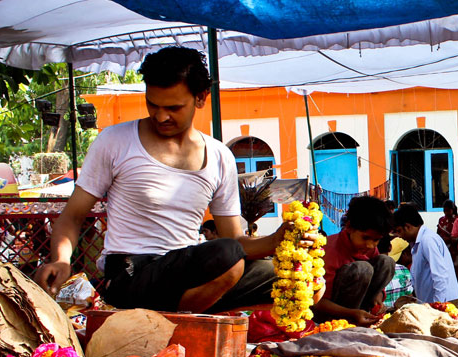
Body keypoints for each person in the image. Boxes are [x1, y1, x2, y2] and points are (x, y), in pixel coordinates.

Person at [35, 46, 294, 313]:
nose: (160, 116)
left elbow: (236, 240)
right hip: (130, 274)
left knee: (294, 280)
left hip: (191, 273)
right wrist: (61, 260)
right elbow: (73, 215)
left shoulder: (219, 156)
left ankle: (189, 309)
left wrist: (277, 240)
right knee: (227, 258)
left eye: (173, 107)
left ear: (201, 98)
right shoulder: (115, 141)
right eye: (152, 105)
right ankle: (183, 321)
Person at [315, 196, 394, 326]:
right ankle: (355, 317)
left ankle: (366, 313)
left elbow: (378, 285)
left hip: (359, 311)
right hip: (328, 315)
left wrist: (377, 298)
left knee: (387, 262)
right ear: (349, 227)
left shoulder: (370, 249)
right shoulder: (327, 250)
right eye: (365, 238)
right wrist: (351, 313)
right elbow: (318, 302)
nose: (370, 245)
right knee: (363, 268)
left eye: (376, 240)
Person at [392, 205, 458, 303]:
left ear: (408, 226)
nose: (398, 236)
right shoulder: (417, 243)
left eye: (399, 231)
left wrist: (437, 306)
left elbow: (440, 277)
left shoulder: (427, 240)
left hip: (442, 305)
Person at [379, 237, 414, 310]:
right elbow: (410, 298)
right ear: (390, 248)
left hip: (378, 318)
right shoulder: (403, 270)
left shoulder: (368, 271)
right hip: (399, 315)